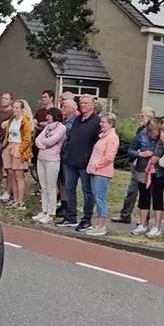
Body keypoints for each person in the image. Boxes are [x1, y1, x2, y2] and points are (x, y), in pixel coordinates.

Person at [59, 94, 102, 231]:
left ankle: (87, 218)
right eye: (81, 103)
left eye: (86, 103)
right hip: (70, 160)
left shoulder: (97, 121)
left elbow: (97, 142)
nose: (83, 105)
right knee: (69, 188)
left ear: (92, 104)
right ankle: (71, 216)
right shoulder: (77, 119)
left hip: (85, 163)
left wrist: (88, 157)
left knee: (87, 191)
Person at [115, 107, 155, 224]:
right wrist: (138, 154)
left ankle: (144, 219)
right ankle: (125, 214)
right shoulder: (140, 131)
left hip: (149, 168)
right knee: (131, 191)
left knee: (146, 193)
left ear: (150, 118)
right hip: (137, 164)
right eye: (140, 115)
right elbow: (131, 149)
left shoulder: (156, 133)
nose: (139, 118)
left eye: (142, 116)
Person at [85, 113, 121, 236]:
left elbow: (109, 156)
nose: (101, 124)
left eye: (103, 122)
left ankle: (102, 225)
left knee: (100, 199)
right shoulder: (104, 136)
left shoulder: (112, 138)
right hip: (95, 171)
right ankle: (98, 224)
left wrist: (97, 164)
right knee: (97, 197)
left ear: (110, 124)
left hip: (102, 172)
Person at [132, 124, 164, 238]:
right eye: (152, 133)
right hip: (143, 170)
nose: (155, 135)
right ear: (148, 131)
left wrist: (159, 158)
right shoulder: (141, 136)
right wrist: (140, 154)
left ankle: (157, 227)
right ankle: (142, 224)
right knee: (143, 197)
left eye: (157, 133)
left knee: (157, 197)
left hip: (159, 171)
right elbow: (130, 150)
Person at [33, 108, 66, 224]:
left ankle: (51, 213)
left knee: (51, 186)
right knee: (43, 186)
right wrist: (43, 144)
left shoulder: (61, 128)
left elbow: (52, 141)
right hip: (41, 158)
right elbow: (37, 139)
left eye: (49, 115)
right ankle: (44, 210)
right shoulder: (47, 127)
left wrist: (44, 142)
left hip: (52, 160)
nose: (47, 118)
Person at [2, 99, 34, 209]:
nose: (14, 110)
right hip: (10, 146)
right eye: (14, 107)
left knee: (19, 176)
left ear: (22, 109)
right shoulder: (12, 120)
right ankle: (15, 199)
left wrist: (20, 151)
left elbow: (27, 139)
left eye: (17, 108)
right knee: (12, 174)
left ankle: (21, 201)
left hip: (19, 147)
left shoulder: (25, 121)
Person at [0, 92, 15, 201]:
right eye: (2, 98)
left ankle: (8, 191)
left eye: (6, 99)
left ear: (11, 100)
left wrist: (5, 143)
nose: (3, 100)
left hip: (6, 143)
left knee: (8, 169)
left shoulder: (12, 113)